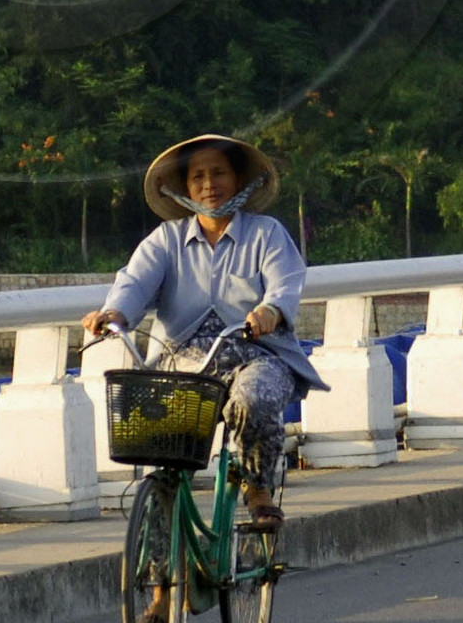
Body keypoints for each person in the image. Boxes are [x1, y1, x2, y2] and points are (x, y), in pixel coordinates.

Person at [83, 133, 319, 532]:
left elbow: (286, 285)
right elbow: (134, 283)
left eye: (219, 173)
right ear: (185, 187)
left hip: (257, 356)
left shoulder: (266, 234)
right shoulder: (166, 239)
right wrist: (113, 314)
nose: (209, 184)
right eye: (198, 177)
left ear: (239, 179)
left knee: (252, 400)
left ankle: (258, 488)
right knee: (163, 470)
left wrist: (269, 311)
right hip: (184, 366)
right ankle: (159, 581)